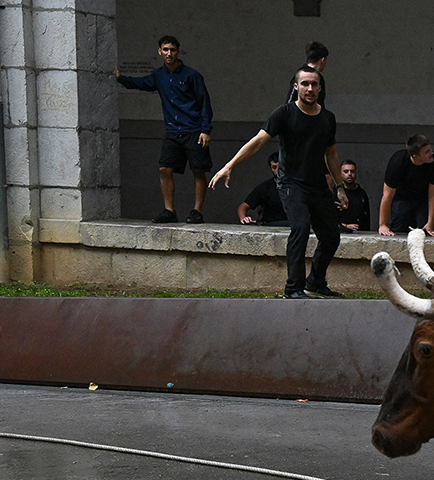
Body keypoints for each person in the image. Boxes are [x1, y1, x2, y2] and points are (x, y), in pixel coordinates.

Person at [210, 66, 342, 298]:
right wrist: (229, 166)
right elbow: (258, 141)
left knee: (331, 235)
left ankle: (315, 282)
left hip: (318, 185)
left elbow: (331, 154)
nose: (309, 88)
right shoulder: (284, 113)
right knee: (300, 228)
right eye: (305, 84)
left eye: (314, 84)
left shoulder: (328, 118)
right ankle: (293, 289)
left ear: (320, 88)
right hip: (291, 183)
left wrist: (339, 187)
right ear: (296, 86)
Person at [118, 35, 214, 223]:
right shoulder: (158, 75)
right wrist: (120, 78)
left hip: (194, 130)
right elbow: (141, 83)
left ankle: (197, 211)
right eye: (165, 50)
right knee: (164, 168)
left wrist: (205, 129)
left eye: (172, 50)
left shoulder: (191, 75)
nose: (169, 53)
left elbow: (205, 103)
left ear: (178, 52)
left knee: (198, 170)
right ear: (160, 51)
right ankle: (169, 210)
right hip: (172, 131)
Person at [380, 134, 434, 237]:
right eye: (427, 152)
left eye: (430, 149)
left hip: (423, 199)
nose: (431, 153)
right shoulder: (398, 161)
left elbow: (433, 194)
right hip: (401, 197)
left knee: (425, 231)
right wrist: (382, 224)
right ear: (416, 156)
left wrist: (430, 223)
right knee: (399, 229)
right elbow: (387, 194)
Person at [237, 152, 286, 226]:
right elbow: (243, 206)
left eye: (280, 167)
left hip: (292, 225)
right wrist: (243, 218)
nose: (278, 170)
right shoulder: (265, 187)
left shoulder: (297, 187)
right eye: (274, 167)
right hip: (270, 225)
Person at [334, 159, 370, 233]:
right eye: (346, 171)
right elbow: (329, 218)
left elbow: (366, 217)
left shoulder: (361, 193)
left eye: (352, 171)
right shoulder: (336, 193)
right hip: (341, 232)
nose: (349, 174)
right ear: (340, 173)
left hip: (360, 233)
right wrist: (345, 226)